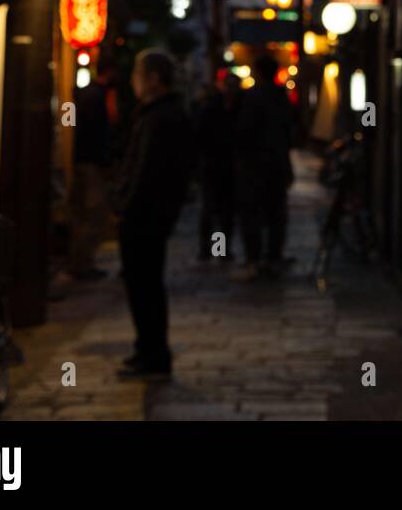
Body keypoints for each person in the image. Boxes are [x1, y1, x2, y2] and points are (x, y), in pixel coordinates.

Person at [113, 49, 192, 380]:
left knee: (144, 285)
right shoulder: (161, 113)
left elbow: (146, 171)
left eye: (137, 74)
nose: (133, 81)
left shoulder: (161, 117)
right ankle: (148, 348)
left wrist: (125, 207)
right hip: (154, 214)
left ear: (154, 79)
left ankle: (153, 354)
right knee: (145, 284)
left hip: (146, 216)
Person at [232, 54, 294, 282]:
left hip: (254, 165)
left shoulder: (252, 97)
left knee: (252, 213)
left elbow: (244, 131)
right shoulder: (281, 97)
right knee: (276, 213)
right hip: (277, 163)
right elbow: (289, 132)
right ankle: (273, 258)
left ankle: (255, 260)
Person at [67, 59, 114, 280]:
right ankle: (82, 263)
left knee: (82, 213)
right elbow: (95, 133)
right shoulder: (95, 97)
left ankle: (80, 261)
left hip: (82, 160)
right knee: (93, 214)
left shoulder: (85, 95)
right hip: (90, 163)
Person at [196, 72, 238, 262]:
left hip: (229, 167)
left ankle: (219, 250)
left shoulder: (239, 108)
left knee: (225, 213)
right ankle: (209, 249)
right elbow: (200, 136)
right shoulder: (211, 108)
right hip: (212, 166)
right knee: (210, 210)